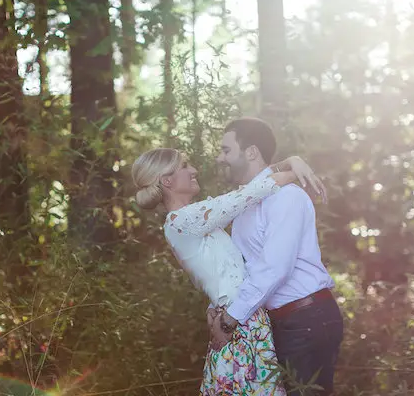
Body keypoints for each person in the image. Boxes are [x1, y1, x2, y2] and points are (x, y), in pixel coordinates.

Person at [131, 147, 325, 395]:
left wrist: (290, 161)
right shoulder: (182, 220)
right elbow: (252, 192)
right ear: (167, 181)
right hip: (238, 324)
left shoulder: (194, 219)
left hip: (241, 319)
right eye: (185, 166)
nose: (194, 170)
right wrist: (294, 169)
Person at [209, 117, 343, 396]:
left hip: (307, 319)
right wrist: (218, 304)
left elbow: (274, 267)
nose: (219, 157)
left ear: (251, 152)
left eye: (226, 150)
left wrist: (229, 320)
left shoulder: (286, 197)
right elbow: (245, 267)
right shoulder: (244, 201)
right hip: (282, 321)